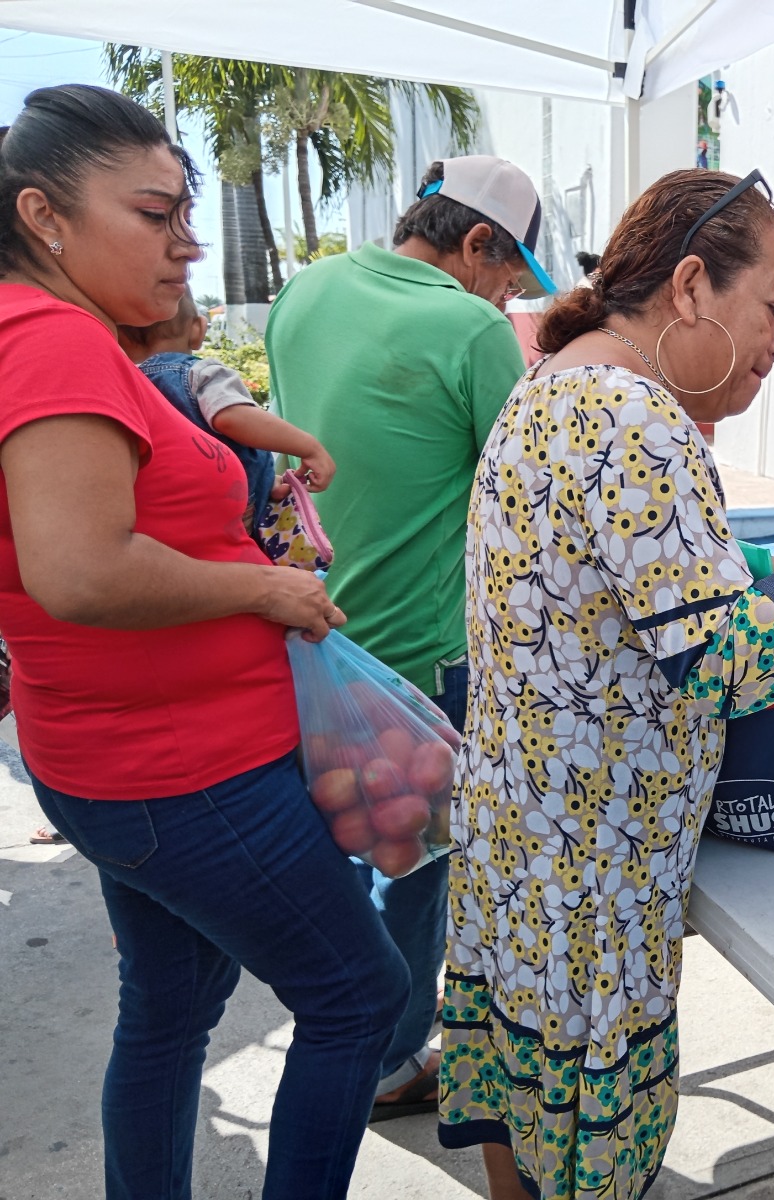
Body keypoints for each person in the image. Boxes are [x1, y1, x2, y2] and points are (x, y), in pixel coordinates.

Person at [441, 167, 774, 1198]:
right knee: (584, 1152)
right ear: (692, 286)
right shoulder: (634, 415)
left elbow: (635, 598)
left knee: (524, 1114)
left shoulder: (556, 383)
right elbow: (728, 665)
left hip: (524, 857)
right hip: (593, 890)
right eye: (772, 306)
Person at [0, 85, 406, 1199]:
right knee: (358, 997)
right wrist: (263, 591)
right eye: (154, 215)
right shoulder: (51, 340)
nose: (187, 244)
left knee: (171, 1011)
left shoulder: (50, 337)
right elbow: (81, 568)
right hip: (182, 772)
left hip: (130, 757)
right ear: (44, 216)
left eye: (186, 213)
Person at [266, 155, 547, 1121]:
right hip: (424, 657)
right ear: (477, 243)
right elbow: (528, 496)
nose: (509, 298)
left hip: (315, 638)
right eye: (510, 276)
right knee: (417, 862)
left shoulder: (305, 292)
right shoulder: (470, 328)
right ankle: (389, 1058)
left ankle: (344, 1027)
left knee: (341, 846)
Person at [119, 286, 336, 536]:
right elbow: (232, 418)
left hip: (163, 517)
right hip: (229, 510)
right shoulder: (200, 375)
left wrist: (266, 482)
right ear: (198, 330)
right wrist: (309, 447)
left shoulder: (123, 384)